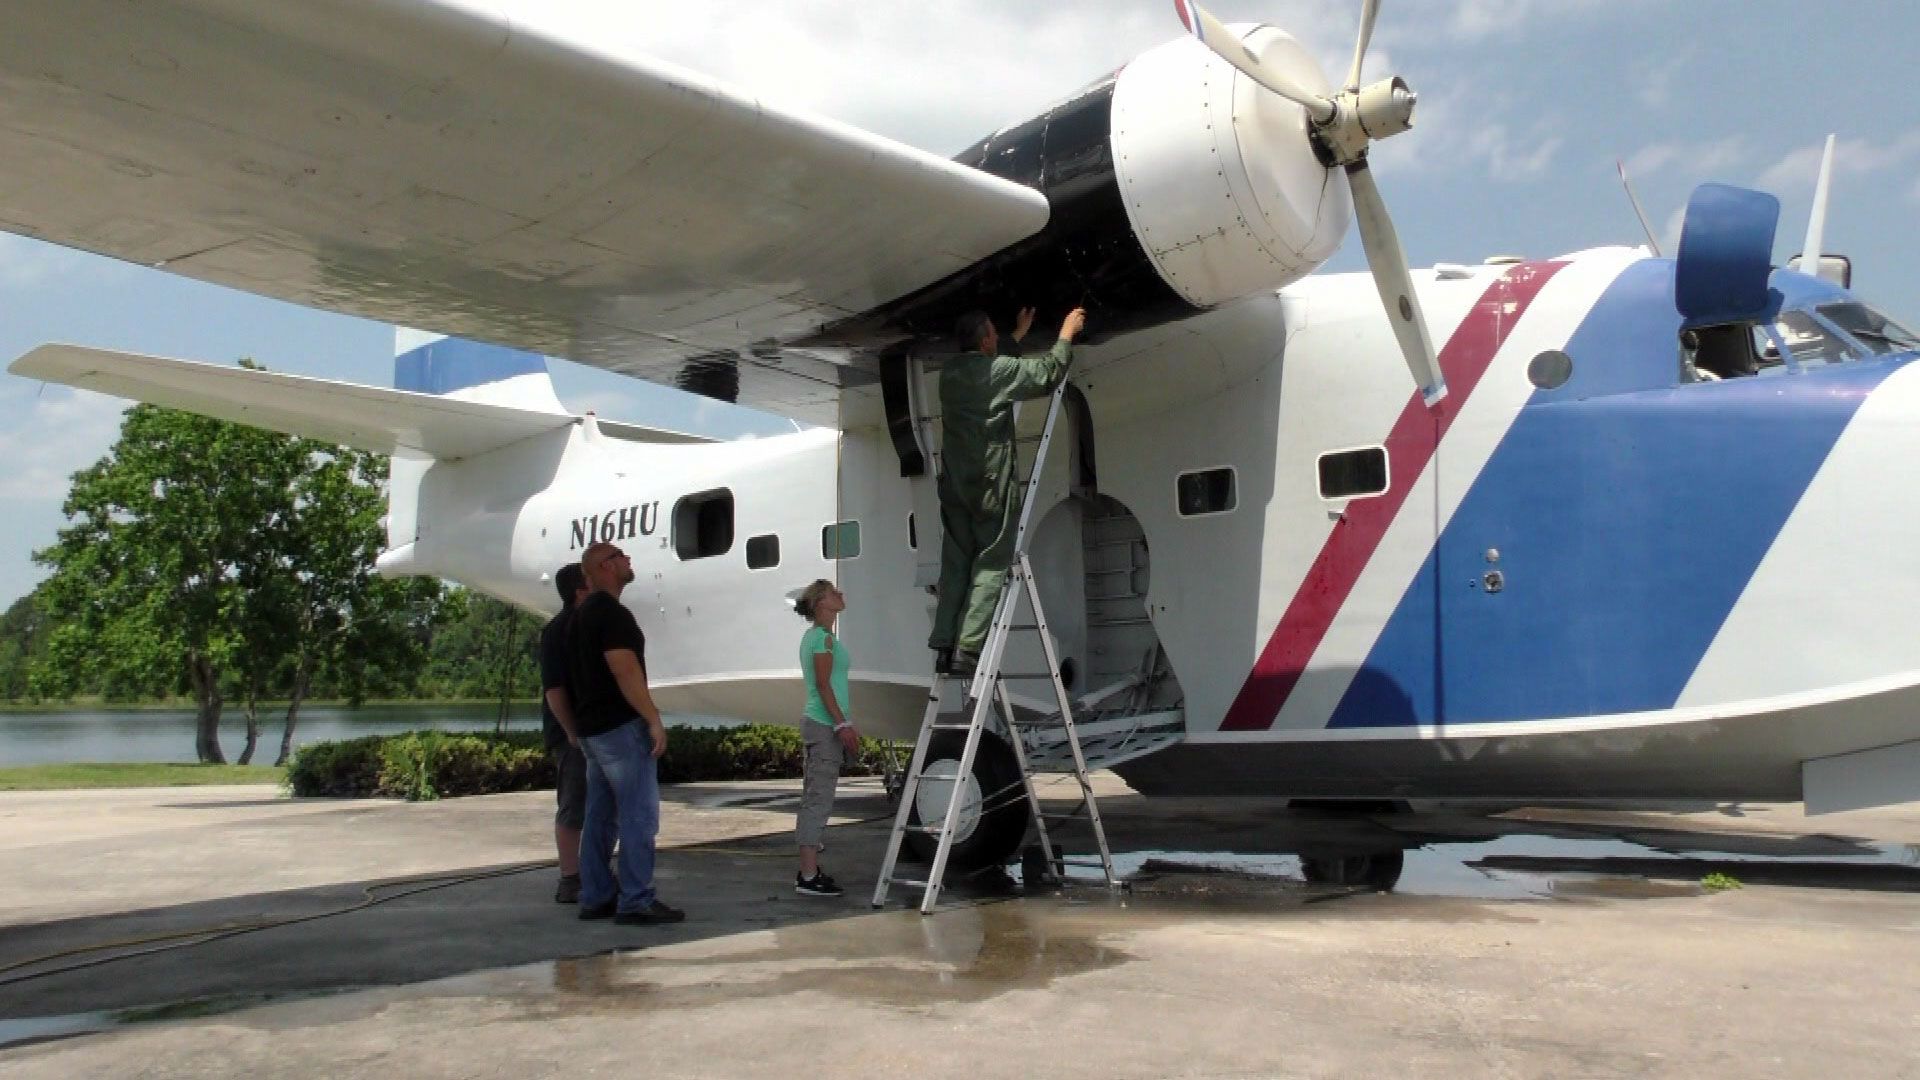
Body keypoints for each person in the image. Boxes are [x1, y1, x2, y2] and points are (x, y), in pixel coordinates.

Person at [929, 304, 1088, 675]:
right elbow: (1048, 373)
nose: (996, 338)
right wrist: (1067, 332)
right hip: (989, 485)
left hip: (954, 486)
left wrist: (1016, 336)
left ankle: (943, 645)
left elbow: (992, 367)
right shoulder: (998, 371)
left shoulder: (949, 375)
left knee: (955, 563)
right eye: (993, 334)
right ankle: (968, 649)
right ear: (986, 340)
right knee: (991, 561)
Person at [567, 540, 684, 924]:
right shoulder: (612, 615)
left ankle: (596, 895)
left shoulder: (580, 616)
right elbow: (624, 669)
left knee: (600, 816)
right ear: (604, 567)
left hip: (593, 732)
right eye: (619, 556)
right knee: (638, 816)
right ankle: (636, 899)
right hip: (619, 729)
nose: (627, 560)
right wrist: (652, 717)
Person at [793, 578, 860, 897]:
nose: (840, 594)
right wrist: (842, 724)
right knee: (819, 798)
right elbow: (823, 685)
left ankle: (810, 869)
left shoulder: (815, 637)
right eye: (835, 592)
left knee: (814, 794)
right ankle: (807, 875)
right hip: (823, 726)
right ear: (822, 603)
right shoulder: (823, 640)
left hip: (818, 724)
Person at [540, 562, 590, 903]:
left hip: (594, 729)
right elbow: (554, 689)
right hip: (574, 733)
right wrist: (571, 731)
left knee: (598, 805)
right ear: (579, 590)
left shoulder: (587, 626)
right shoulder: (558, 630)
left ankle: (590, 870)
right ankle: (569, 876)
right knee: (572, 804)